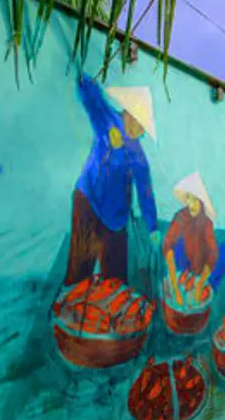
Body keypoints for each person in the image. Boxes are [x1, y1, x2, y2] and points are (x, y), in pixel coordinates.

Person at [65, 74, 159, 286]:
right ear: (128, 112)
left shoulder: (138, 155)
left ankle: (112, 316)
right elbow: (93, 100)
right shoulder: (108, 121)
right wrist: (83, 80)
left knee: (116, 281)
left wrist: (152, 228)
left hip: (116, 219)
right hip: (88, 204)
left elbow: (145, 192)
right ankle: (70, 312)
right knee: (80, 273)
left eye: (144, 126)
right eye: (138, 121)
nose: (139, 130)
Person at [163, 172, 225, 305]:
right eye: (188, 198)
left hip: (203, 266)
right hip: (186, 262)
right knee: (178, 244)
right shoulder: (180, 217)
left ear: (201, 201)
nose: (191, 204)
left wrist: (200, 285)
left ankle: (207, 285)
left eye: (195, 199)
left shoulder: (207, 223)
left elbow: (212, 255)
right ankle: (183, 278)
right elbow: (168, 246)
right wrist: (175, 289)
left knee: (224, 252)